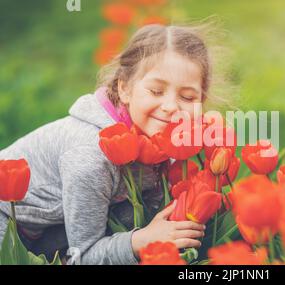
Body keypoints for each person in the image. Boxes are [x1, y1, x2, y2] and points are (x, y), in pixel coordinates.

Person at [0, 24, 221, 265]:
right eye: (156, 91)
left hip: (49, 232)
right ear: (124, 88)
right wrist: (140, 241)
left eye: (187, 97)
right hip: (9, 226)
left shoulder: (162, 138)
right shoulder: (91, 157)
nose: (171, 106)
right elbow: (80, 257)